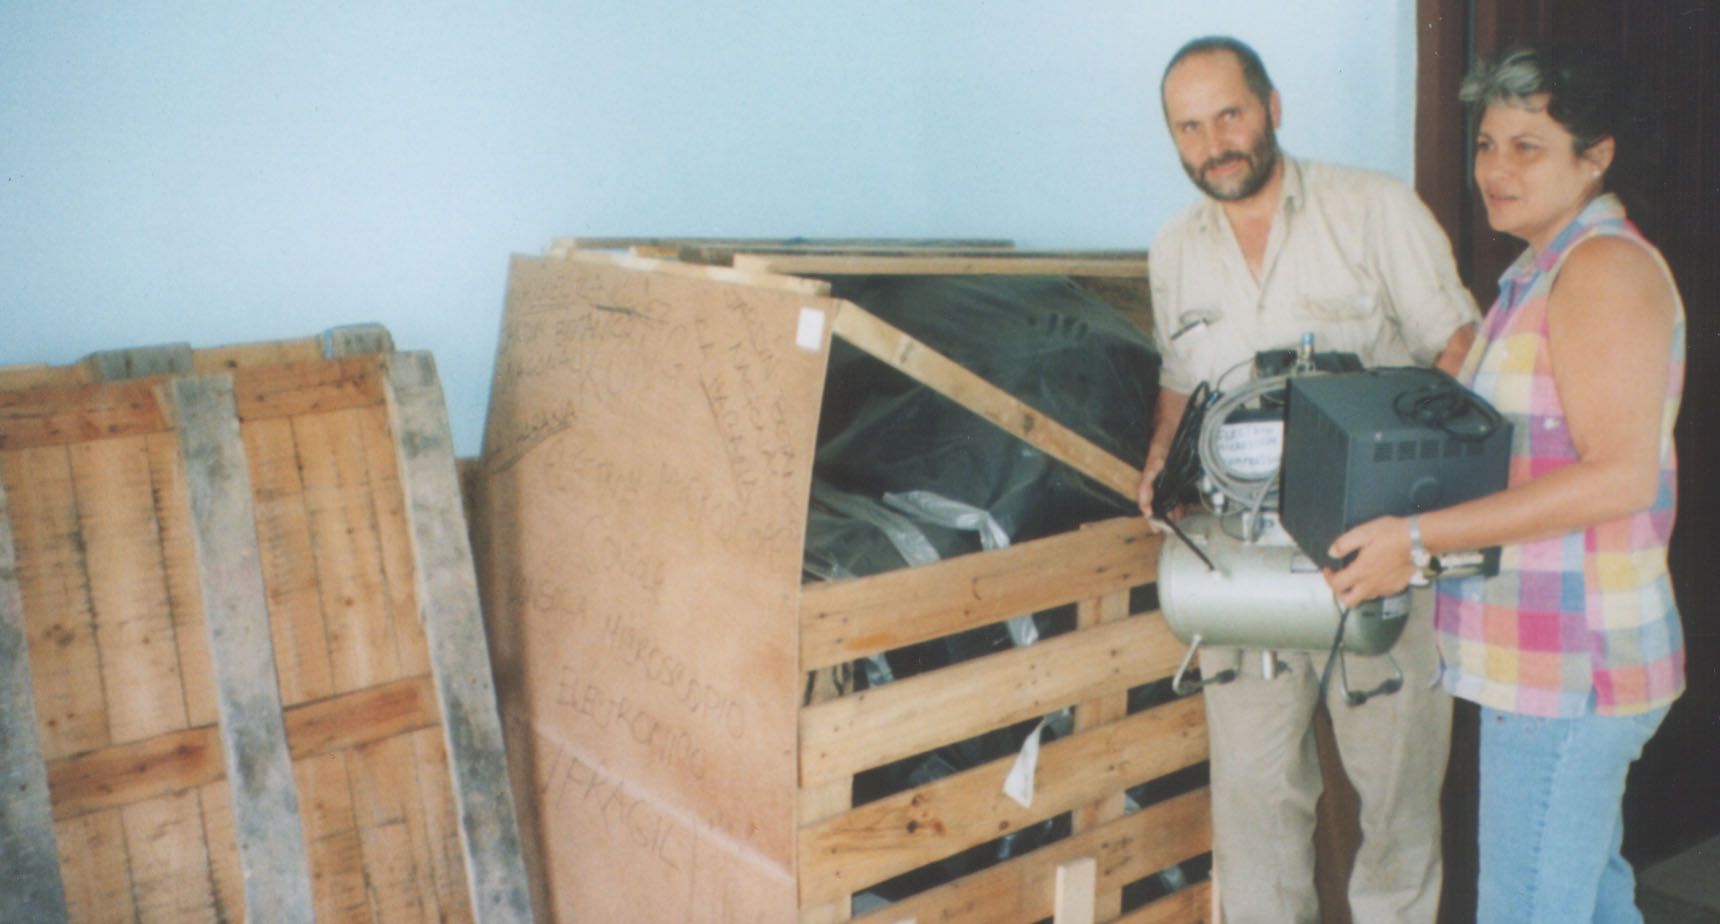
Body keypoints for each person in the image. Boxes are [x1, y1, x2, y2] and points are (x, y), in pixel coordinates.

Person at [1324, 41, 1684, 923]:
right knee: (1590, 904)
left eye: (1528, 146)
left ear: (1594, 156)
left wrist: (1414, 542)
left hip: (1573, 666)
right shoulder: (1537, 271)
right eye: (1487, 144)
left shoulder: (1601, 268)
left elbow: (1619, 478)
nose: (1495, 168)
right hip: (1542, 659)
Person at [1136, 36, 1480, 923]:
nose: (1214, 142)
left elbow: (1460, 350)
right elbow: (1181, 384)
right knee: (1252, 800)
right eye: (1190, 127)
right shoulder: (1174, 246)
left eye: (1230, 115)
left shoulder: (1374, 210)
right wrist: (1157, 462)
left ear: (1272, 107)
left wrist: (1420, 513)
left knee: (1398, 801)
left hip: (1372, 553)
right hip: (1238, 563)